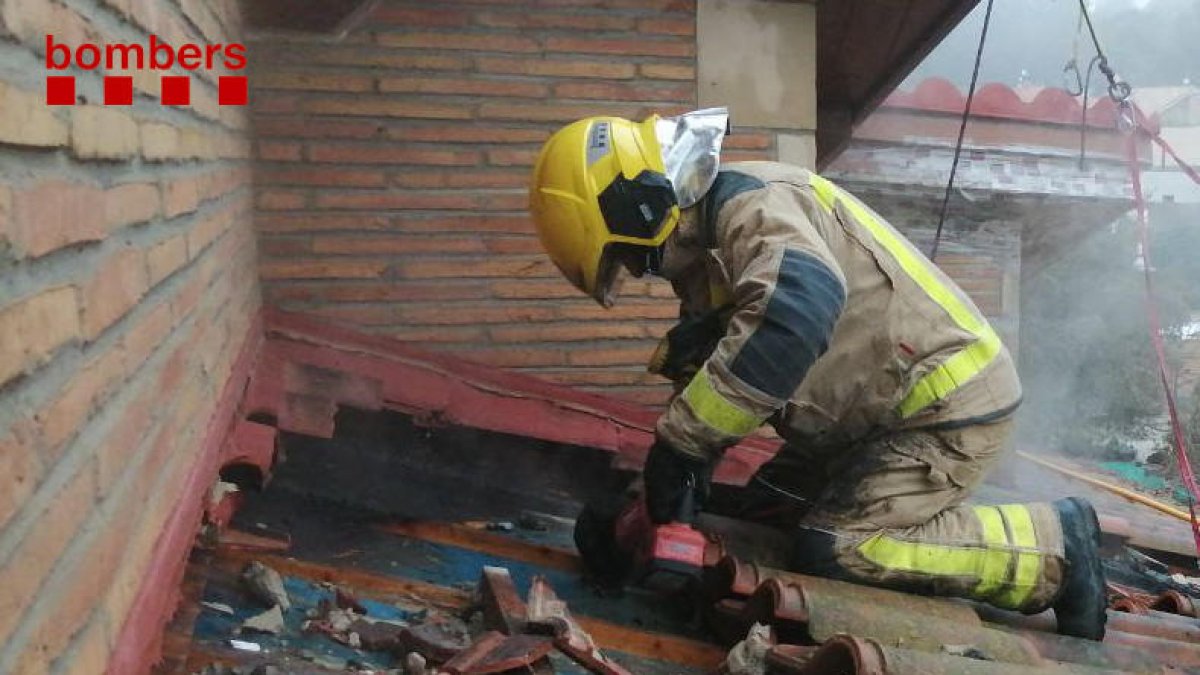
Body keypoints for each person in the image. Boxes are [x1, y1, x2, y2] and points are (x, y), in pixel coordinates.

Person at [527, 110, 1107, 640]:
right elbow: (712, 375)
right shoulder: (707, 250)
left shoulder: (753, 208)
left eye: (627, 256)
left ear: (641, 208)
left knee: (836, 548)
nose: (638, 271)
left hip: (941, 407)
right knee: (764, 513)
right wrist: (647, 504)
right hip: (867, 417)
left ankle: (1053, 549)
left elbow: (792, 316)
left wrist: (683, 446)